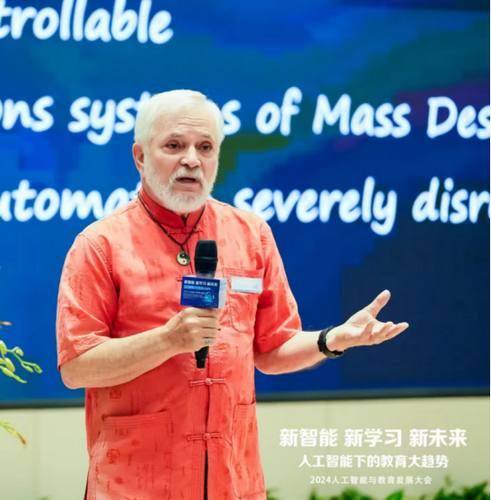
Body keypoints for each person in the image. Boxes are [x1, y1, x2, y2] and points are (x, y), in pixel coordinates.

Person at [55, 89, 409, 500]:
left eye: (205, 147)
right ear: (140, 156)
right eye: (174, 145)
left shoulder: (251, 235)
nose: (192, 159)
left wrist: (331, 340)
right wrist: (168, 340)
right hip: (133, 484)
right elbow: (76, 367)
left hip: (233, 481)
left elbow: (271, 349)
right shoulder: (100, 245)